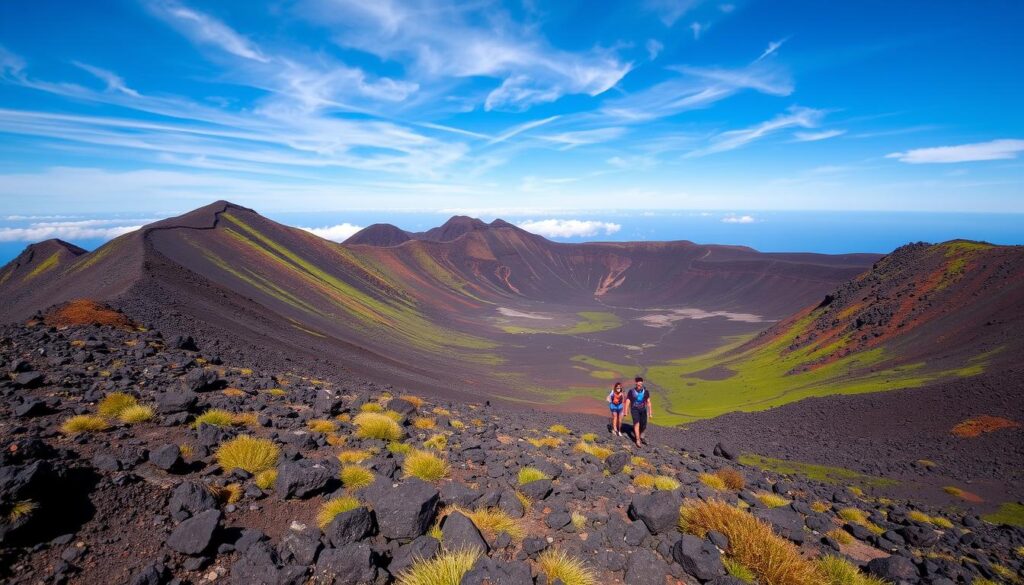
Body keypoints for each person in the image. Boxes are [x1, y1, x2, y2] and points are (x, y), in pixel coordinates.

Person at [625, 376, 653, 447]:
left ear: (642, 384)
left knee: (643, 425)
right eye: (637, 385)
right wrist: (626, 410)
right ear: (636, 384)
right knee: (636, 423)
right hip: (634, 409)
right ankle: (637, 439)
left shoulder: (646, 392)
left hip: (643, 410)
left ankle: (641, 435)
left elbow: (648, 402)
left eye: (640, 385)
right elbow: (628, 401)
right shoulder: (631, 392)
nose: (639, 386)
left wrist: (650, 413)